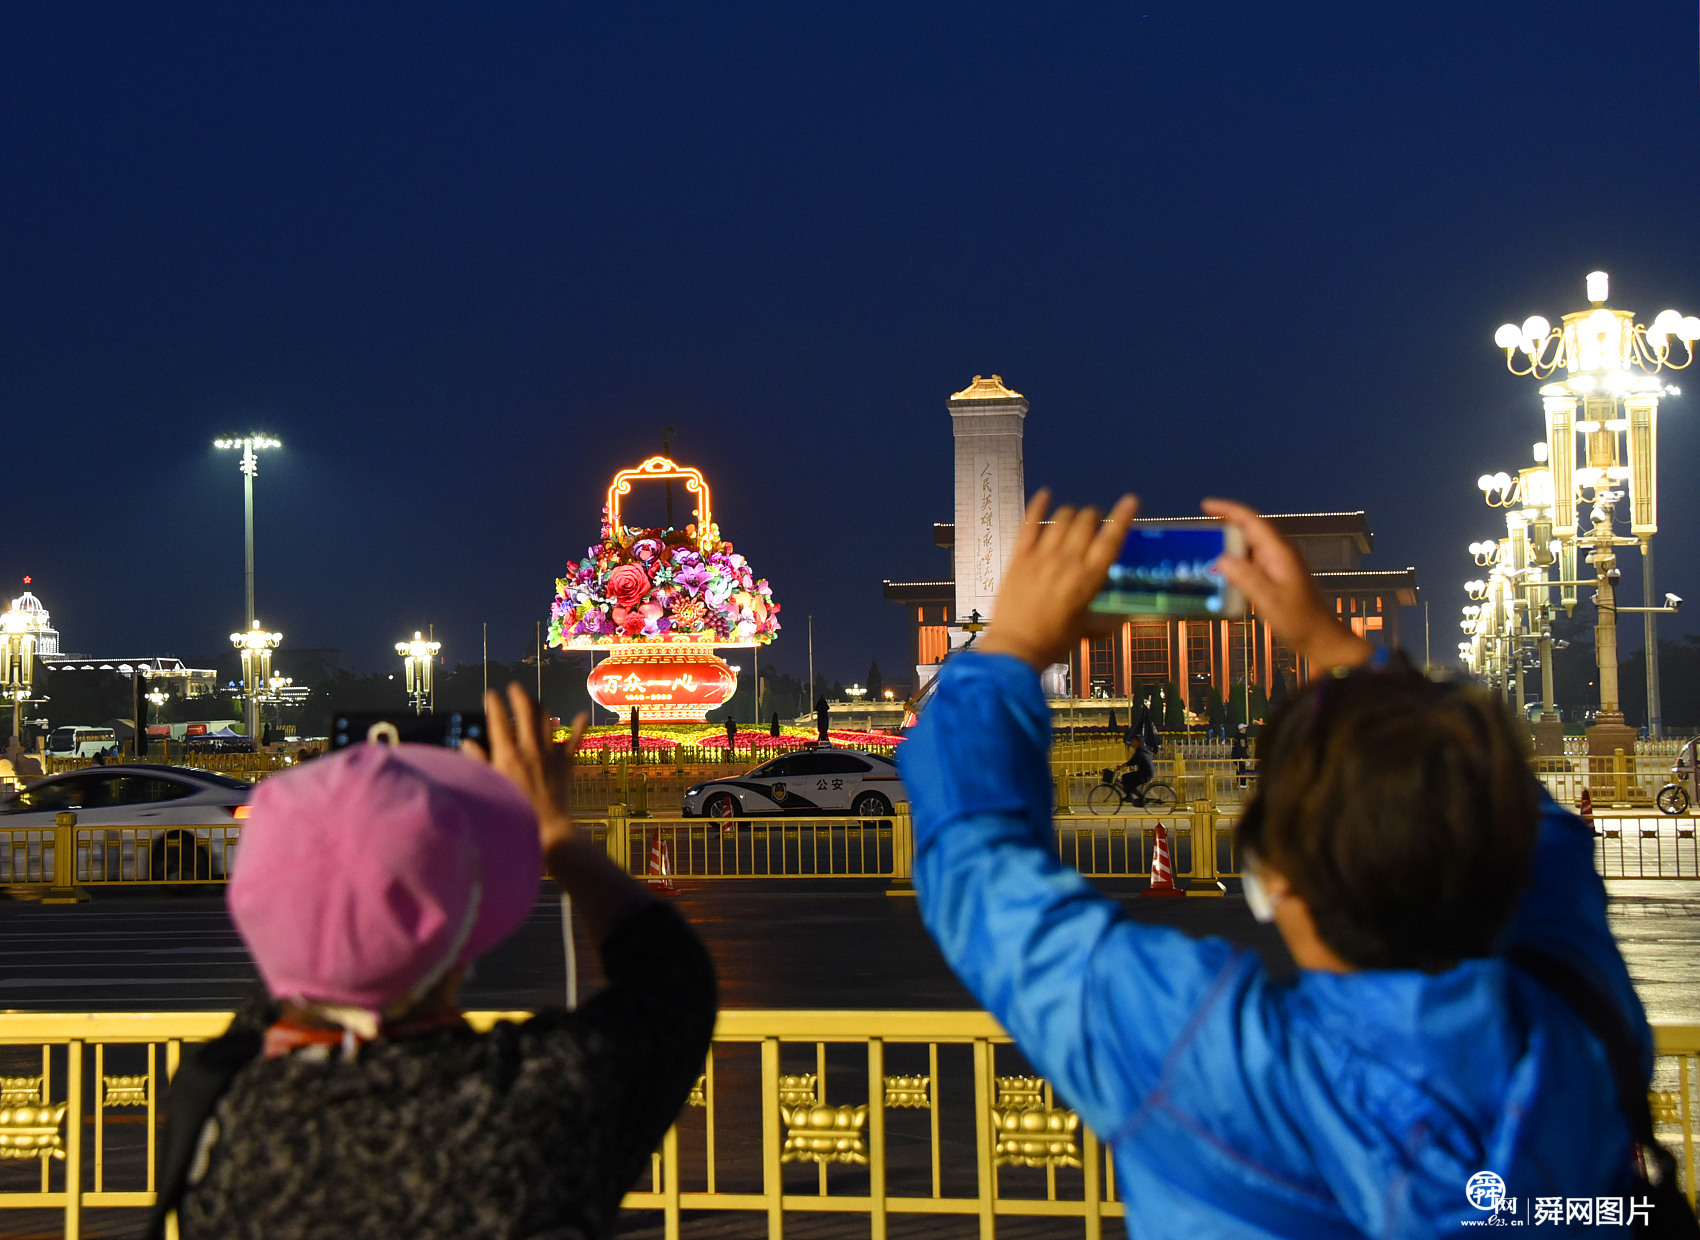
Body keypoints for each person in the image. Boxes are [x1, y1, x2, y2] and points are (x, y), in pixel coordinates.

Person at [898, 490, 1656, 1236]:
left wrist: (1008, 645)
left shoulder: (1212, 1067)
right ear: (1499, 854)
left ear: (1276, 875)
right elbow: (1537, 837)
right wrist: (1339, 648)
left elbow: (975, 866)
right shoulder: (1577, 1023)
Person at [147, 683, 717, 1240]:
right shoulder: (528, 1106)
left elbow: (292, 971)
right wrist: (551, 830)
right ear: (457, 927)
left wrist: (325, 834)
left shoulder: (223, 1111)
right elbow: (674, 984)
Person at [1114, 733, 1154, 806]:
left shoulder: (1140, 751)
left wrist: (1122, 766)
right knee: (1130, 782)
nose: (1131, 742)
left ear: (1137, 742)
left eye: (1133, 741)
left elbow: (1133, 761)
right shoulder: (1143, 749)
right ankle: (1136, 797)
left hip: (1145, 774)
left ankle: (1132, 797)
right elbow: (1134, 761)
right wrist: (1124, 765)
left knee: (1125, 778)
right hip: (1146, 772)